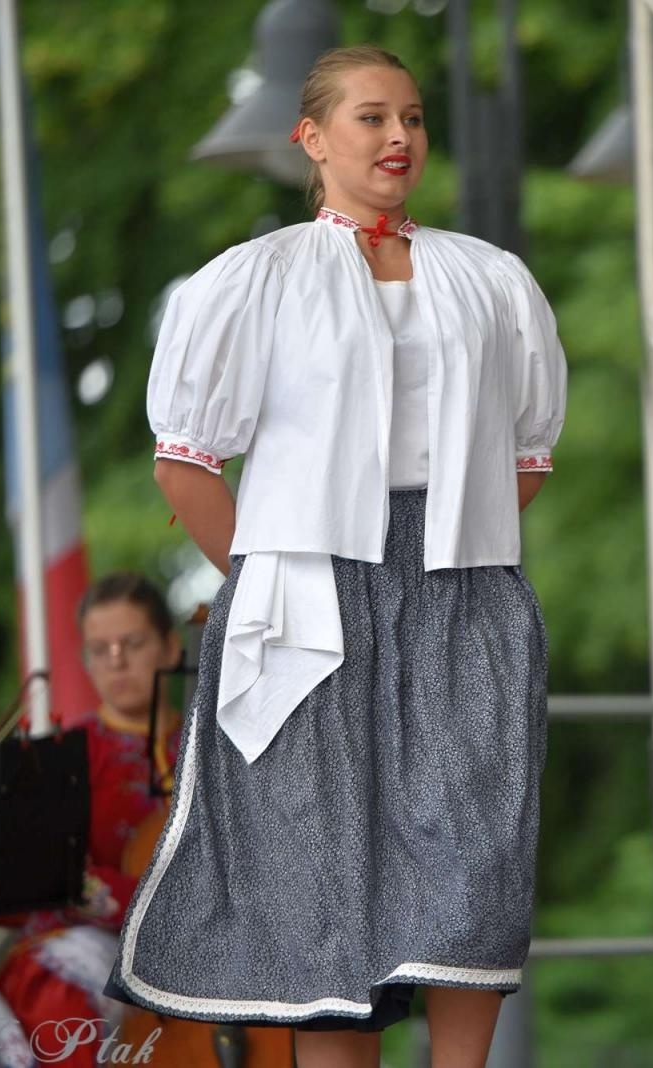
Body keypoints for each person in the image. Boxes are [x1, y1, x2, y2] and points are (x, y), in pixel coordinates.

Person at [105, 45, 566, 1068]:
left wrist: (449, 541)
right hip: (306, 591)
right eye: (371, 117)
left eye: (411, 117)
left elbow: (524, 457)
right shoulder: (257, 278)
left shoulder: (490, 278)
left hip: (462, 590)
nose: (399, 136)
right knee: (326, 896)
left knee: (475, 871)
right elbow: (184, 463)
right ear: (311, 138)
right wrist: (269, 574)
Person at [0, 572, 185, 1067]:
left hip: (204, 940)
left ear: (170, 648)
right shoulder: (65, 757)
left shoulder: (213, 749)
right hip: (99, 941)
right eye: (99, 649)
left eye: (132, 643)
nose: (116, 661)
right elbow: (55, 878)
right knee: (61, 994)